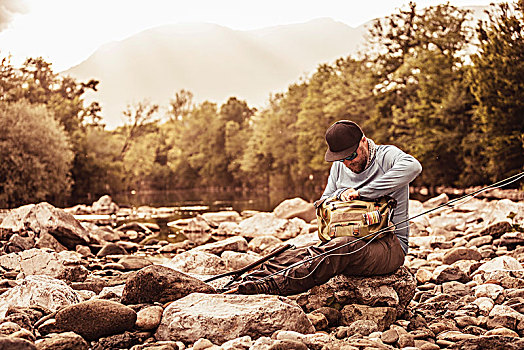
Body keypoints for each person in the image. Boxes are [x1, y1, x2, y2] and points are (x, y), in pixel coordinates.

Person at [234, 120, 422, 295]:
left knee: (342, 247)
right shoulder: (340, 166)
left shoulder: (387, 156)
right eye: (341, 159)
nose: (348, 163)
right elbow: (324, 203)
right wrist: (338, 197)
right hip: (344, 239)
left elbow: (413, 167)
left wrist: (361, 193)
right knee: (300, 252)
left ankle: (272, 287)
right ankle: (251, 278)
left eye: (351, 156)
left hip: (389, 246)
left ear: (363, 141)